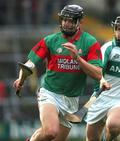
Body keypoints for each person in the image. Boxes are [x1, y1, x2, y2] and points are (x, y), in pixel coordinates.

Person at [13, 4, 103, 141]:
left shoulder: (90, 43)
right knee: (50, 131)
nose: (66, 24)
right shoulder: (50, 40)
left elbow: (98, 74)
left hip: (71, 100)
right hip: (50, 93)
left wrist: (77, 59)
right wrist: (21, 78)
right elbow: (29, 64)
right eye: (64, 20)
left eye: (71, 20)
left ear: (80, 22)